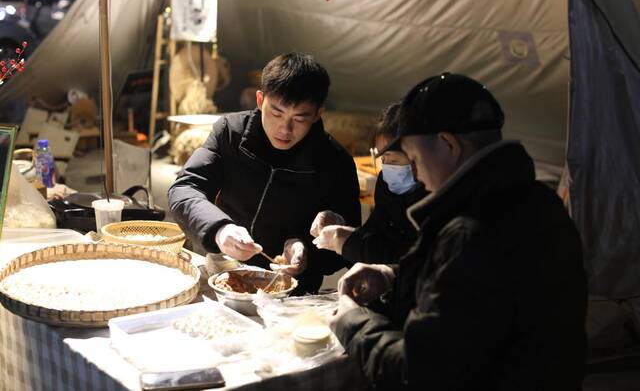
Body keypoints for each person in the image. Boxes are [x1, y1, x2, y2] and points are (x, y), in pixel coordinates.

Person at [330, 73, 587, 390]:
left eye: (414, 157)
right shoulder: (540, 201)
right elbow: (478, 303)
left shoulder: (470, 233)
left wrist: (353, 323)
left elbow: (420, 372)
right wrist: (392, 277)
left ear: (448, 144)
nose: (416, 173)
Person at [168, 52, 361, 294]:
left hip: (294, 294)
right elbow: (184, 188)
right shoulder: (231, 133)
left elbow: (351, 243)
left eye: (300, 118)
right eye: (276, 113)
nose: (285, 128)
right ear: (260, 100)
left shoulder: (335, 162)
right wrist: (220, 229)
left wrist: (305, 249)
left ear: (318, 113)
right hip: (225, 275)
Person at [310, 102, 427, 264]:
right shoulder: (385, 183)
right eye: (382, 158)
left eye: (393, 159)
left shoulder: (436, 198)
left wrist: (351, 243)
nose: (387, 167)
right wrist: (340, 224)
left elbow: (413, 259)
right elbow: (376, 231)